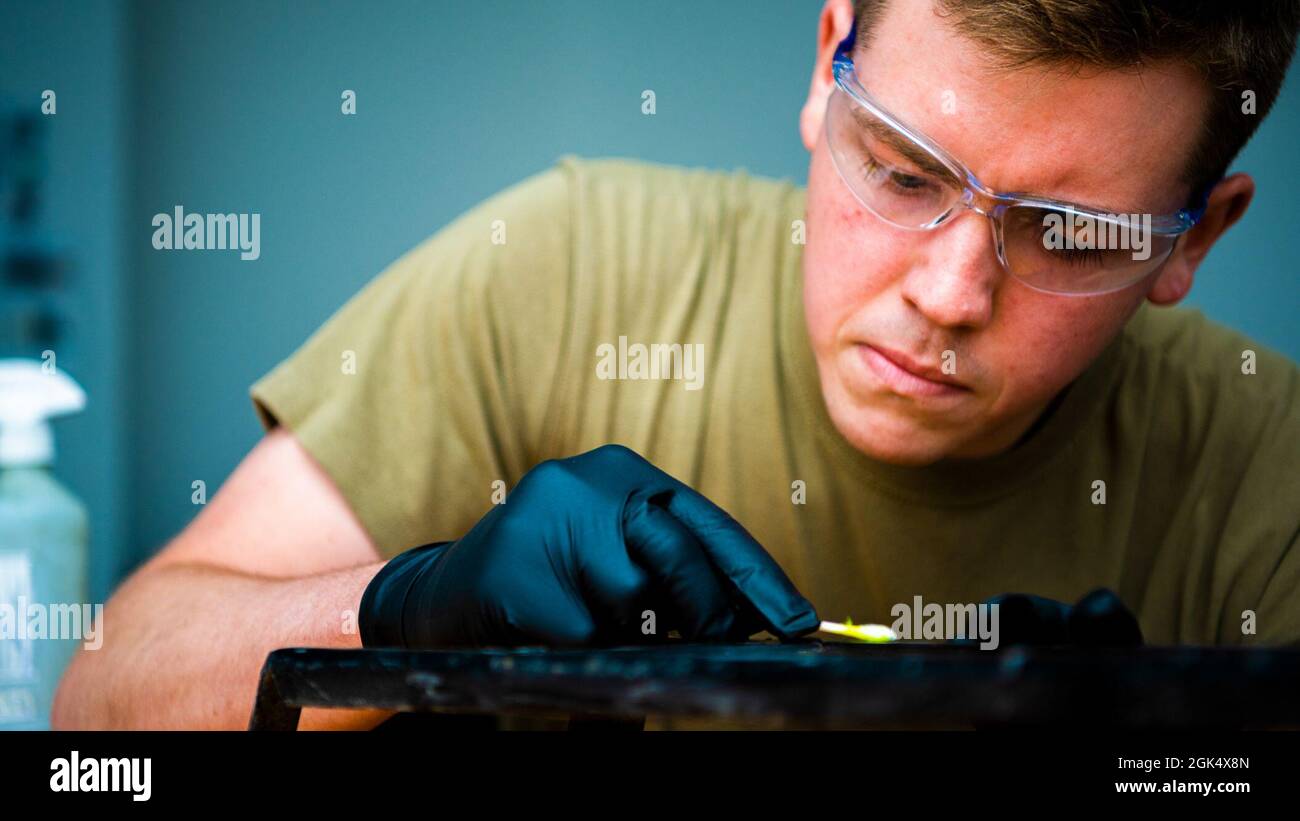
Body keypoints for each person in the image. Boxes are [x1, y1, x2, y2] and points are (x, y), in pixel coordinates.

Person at [54, 0, 1300, 729]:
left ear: (1193, 235)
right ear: (827, 68)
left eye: (1072, 234)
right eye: (904, 173)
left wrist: (1170, 753)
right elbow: (100, 701)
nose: (948, 294)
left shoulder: (1267, 468)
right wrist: (401, 608)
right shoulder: (563, 267)